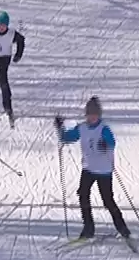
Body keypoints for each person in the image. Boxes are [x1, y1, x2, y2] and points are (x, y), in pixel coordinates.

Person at [54, 96, 131, 240]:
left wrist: (105, 144)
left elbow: (112, 143)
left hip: (103, 170)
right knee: (83, 195)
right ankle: (88, 228)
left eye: (95, 115)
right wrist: (60, 128)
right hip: (88, 168)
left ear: (99, 115)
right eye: (90, 114)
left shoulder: (104, 129)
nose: (92, 117)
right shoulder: (82, 128)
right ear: (86, 114)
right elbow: (67, 138)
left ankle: (123, 229)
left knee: (107, 200)